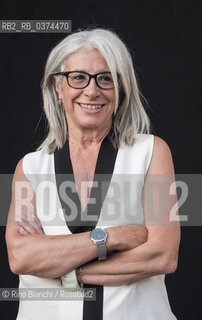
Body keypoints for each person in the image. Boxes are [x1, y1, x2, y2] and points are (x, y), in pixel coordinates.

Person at [6, 28, 180, 319]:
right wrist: (112, 238)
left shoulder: (151, 153)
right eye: (78, 77)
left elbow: (162, 255)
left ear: (121, 89)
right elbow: (21, 257)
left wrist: (59, 269)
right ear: (57, 87)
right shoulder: (30, 168)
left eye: (106, 78)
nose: (92, 90)